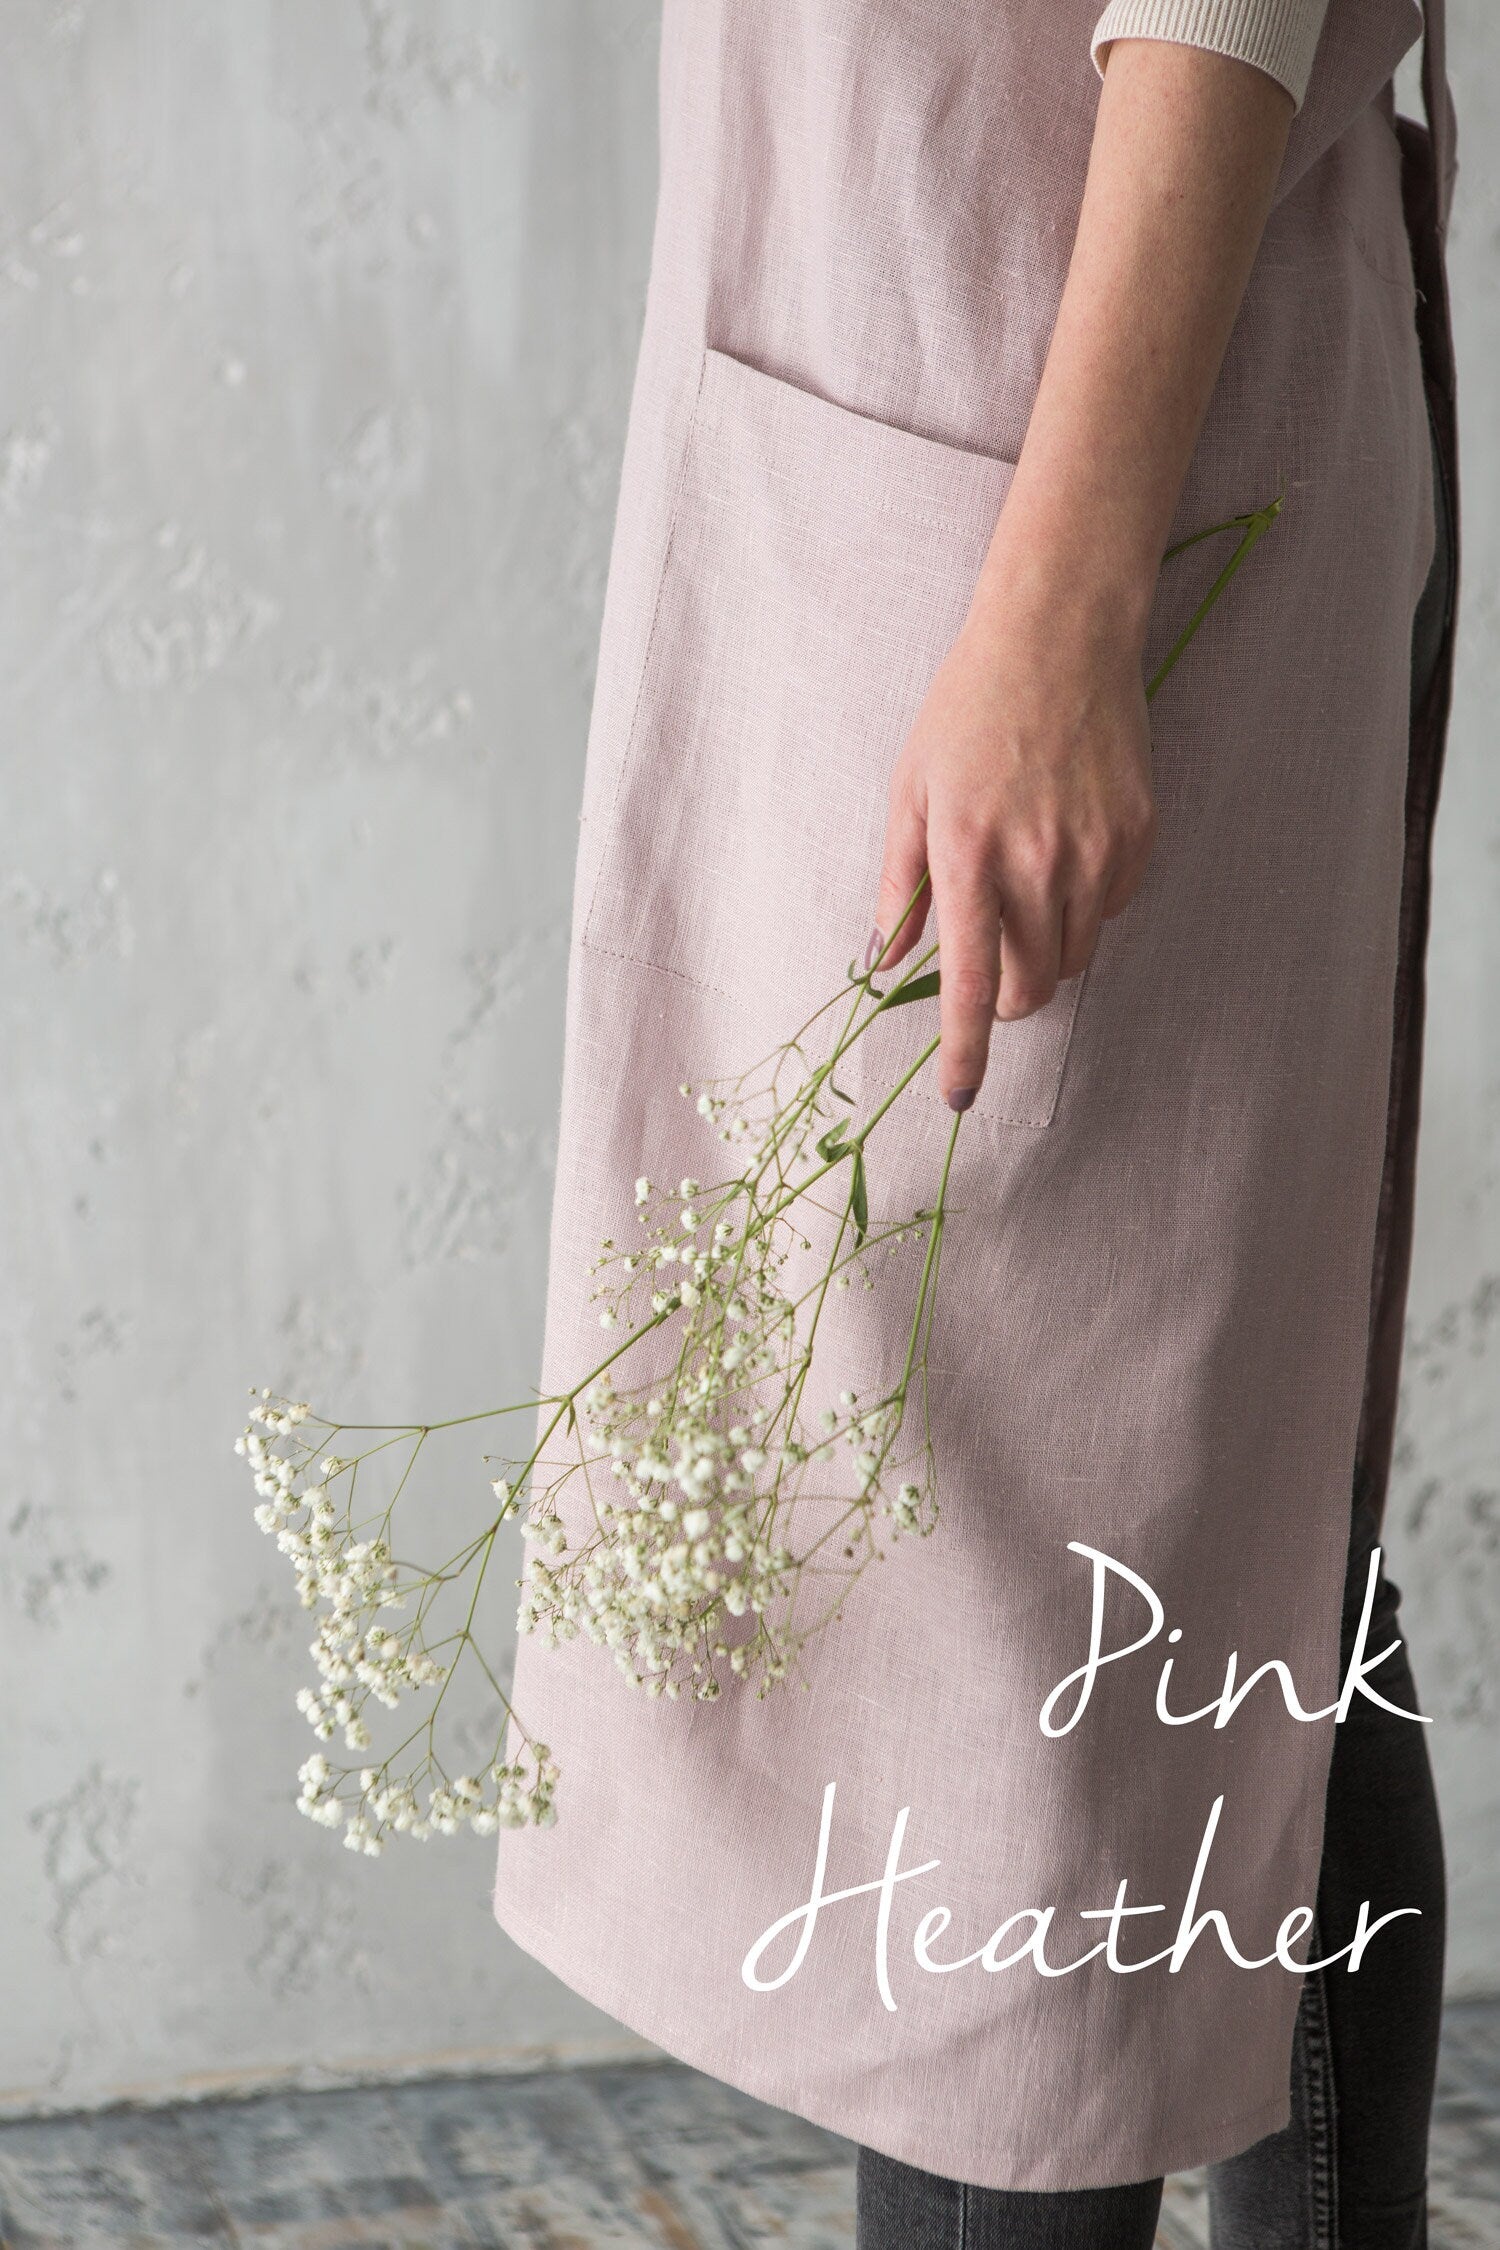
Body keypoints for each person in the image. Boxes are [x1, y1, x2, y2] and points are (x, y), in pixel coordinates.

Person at [493, 1, 1462, 2240]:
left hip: (1083, 509)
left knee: (1032, 1663)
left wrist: (1062, 599)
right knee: (1212, 1527)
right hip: (893, 437)